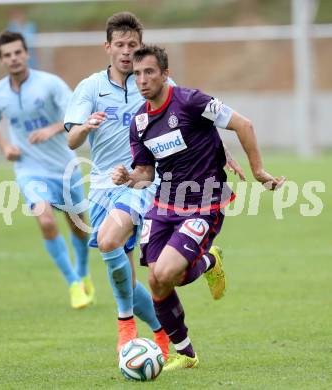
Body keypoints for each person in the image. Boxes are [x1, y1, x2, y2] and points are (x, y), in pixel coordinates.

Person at [112, 45, 286, 371]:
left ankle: (206, 261)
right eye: (136, 73)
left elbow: (243, 124)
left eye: (149, 71)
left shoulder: (192, 101)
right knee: (158, 281)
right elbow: (145, 174)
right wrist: (127, 177)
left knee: (166, 273)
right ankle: (187, 352)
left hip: (205, 203)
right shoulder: (138, 123)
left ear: (165, 73)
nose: (142, 79)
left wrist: (259, 171)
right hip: (164, 205)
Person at [64, 12, 170, 357]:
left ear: (141, 47)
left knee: (110, 241)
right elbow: (72, 140)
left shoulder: (152, 81)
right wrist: (86, 127)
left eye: (133, 45)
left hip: (141, 182)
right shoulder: (91, 87)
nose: (127, 52)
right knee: (124, 272)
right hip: (100, 186)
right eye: (120, 45)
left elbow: (190, 115)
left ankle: (125, 329)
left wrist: (221, 152)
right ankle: (163, 333)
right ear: (108, 47)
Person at [0, 31, 93, 310]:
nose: (13, 58)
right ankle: (72, 283)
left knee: (79, 227)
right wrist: (4, 145)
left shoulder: (50, 84)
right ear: (2, 60)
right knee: (45, 220)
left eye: (17, 52)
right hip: (29, 169)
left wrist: (53, 128)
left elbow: (76, 115)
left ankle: (82, 274)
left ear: (26, 53)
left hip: (64, 166)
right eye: (7, 55)